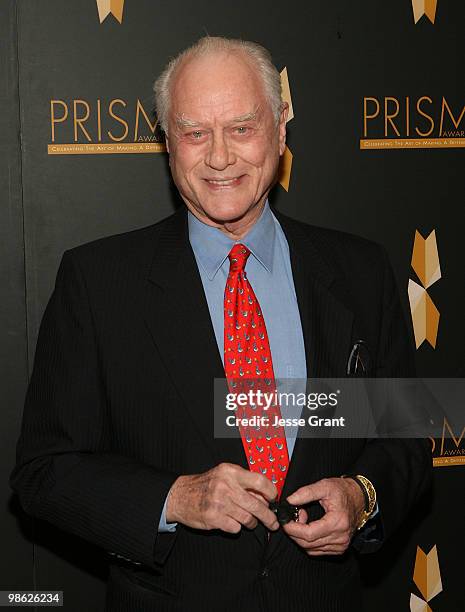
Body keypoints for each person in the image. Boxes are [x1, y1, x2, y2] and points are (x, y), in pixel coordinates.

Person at [10, 36, 432, 611]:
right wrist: (175, 498)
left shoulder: (360, 270)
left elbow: (406, 436)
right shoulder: (98, 282)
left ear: (281, 129)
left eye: (241, 127)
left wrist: (362, 496)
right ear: (167, 143)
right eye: (194, 132)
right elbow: (43, 473)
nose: (219, 157)